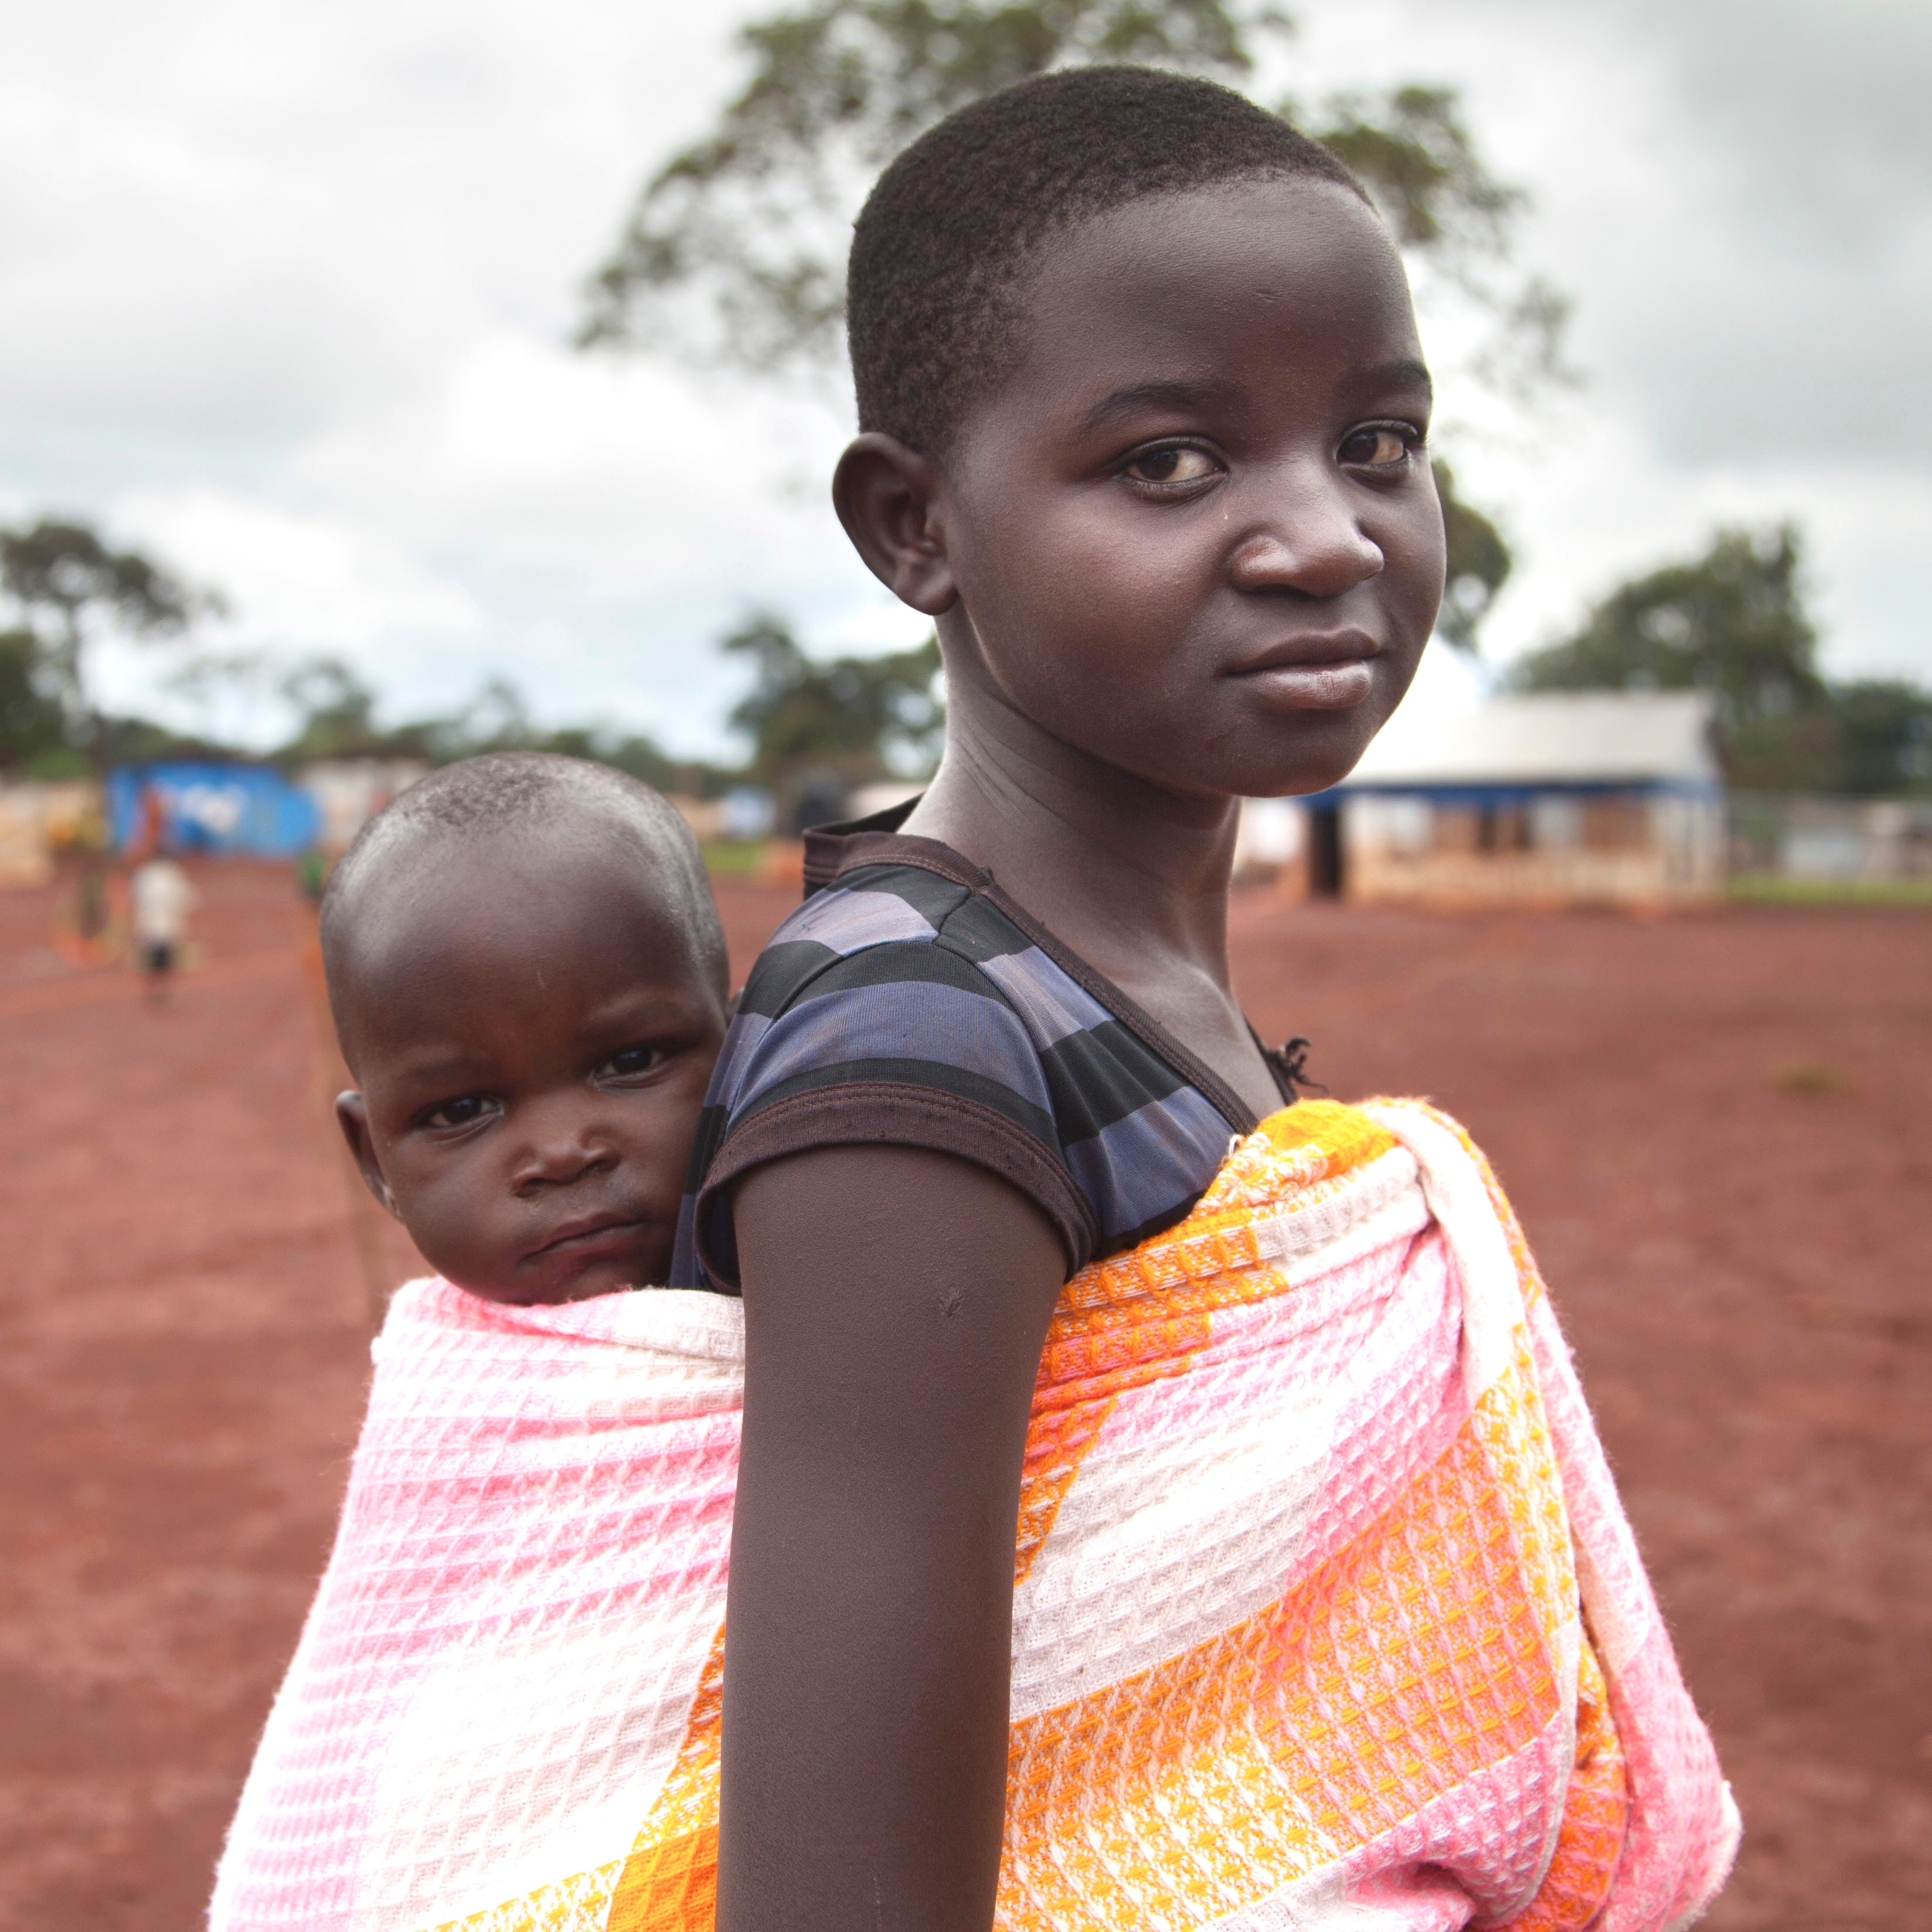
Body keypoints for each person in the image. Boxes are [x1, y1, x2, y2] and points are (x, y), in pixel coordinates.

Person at [680, 65, 1735, 1932]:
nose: (1323, 536)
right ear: (914, 528)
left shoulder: (1132, 997)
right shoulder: (915, 1037)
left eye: (1378, 444)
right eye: (1169, 461)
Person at [208, 753, 734, 1928]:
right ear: (373, 1162)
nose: (562, 1149)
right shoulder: (447, 1431)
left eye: (630, 1059)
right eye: (459, 1112)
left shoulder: (852, 1286)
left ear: (740, 1039)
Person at [129, 851, 194, 1001]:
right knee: (166, 964)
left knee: (151, 963)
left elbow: (134, 898)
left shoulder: (144, 873)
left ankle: (152, 991)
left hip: (148, 927)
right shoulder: (173, 874)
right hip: (168, 927)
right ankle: (164, 991)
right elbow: (186, 899)